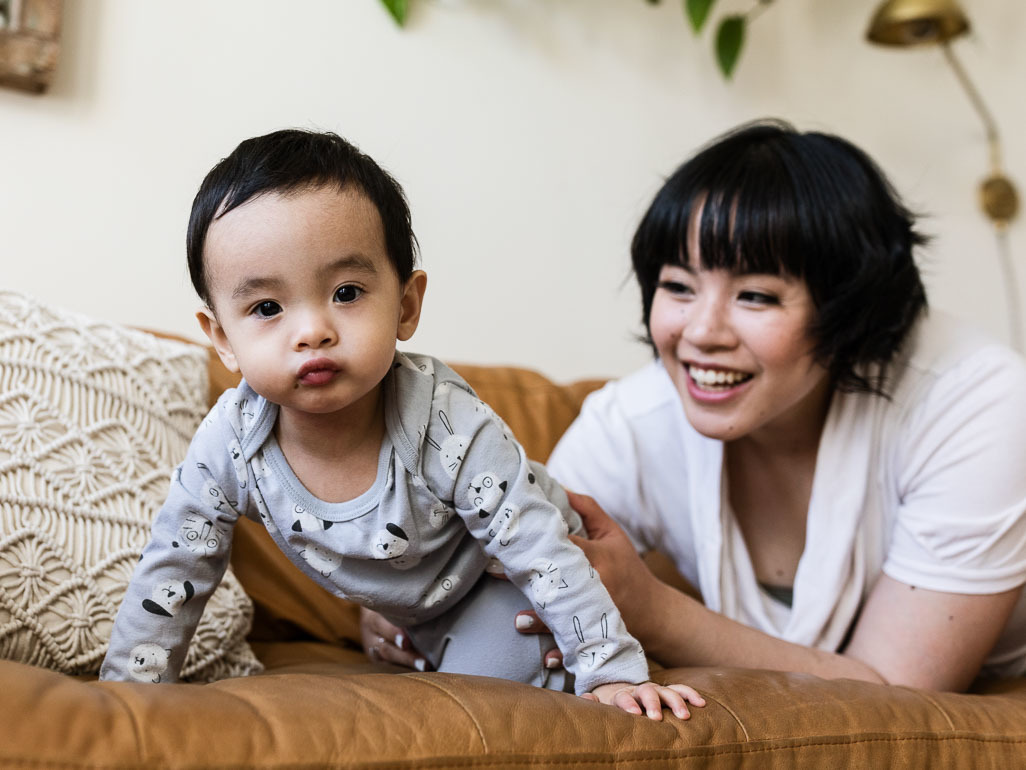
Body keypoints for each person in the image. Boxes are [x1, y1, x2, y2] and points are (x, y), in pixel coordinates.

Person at [362, 119, 1026, 693]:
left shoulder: (974, 402)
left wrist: (651, 609)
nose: (700, 331)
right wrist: (417, 604)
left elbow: (897, 689)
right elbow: (518, 566)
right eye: (678, 286)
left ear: (850, 309)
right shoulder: (637, 422)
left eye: (756, 295)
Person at [98, 128, 703, 720]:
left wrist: (613, 670)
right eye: (267, 308)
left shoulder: (442, 419)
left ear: (407, 305)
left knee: (477, 715)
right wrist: (126, 704)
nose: (311, 330)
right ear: (223, 338)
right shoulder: (231, 442)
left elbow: (537, 545)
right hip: (418, 613)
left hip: (511, 588)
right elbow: (173, 570)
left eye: (347, 291)